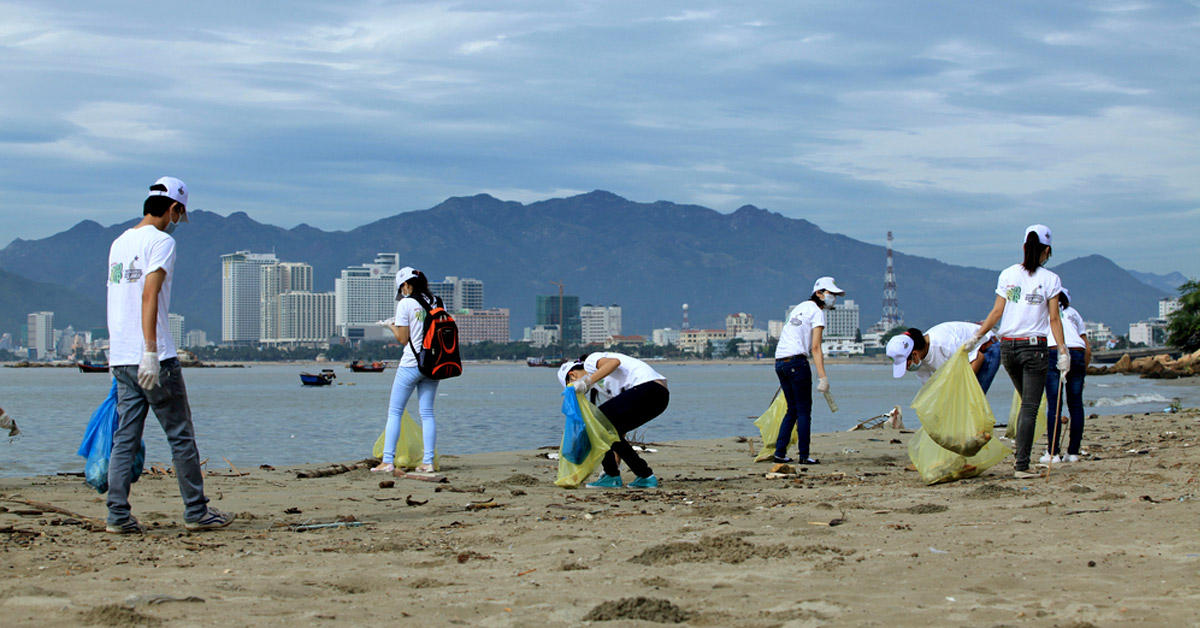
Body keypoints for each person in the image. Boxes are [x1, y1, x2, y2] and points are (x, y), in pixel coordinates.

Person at [105, 177, 233, 533]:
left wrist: (123, 353)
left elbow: (117, 299)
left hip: (121, 358)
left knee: (125, 438)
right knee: (180, 435)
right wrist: (149, 350)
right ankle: (196, 511)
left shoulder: (119, 242)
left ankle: (117, 515)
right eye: (180, 214)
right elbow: (149, 295)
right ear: (174, 209)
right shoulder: (162, 242)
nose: (178, 221)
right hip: (154, 356)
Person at [971, 225, 1068, 479]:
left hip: (1008, 348)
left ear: (1024, 247)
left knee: (1027, 403)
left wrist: (977, 337)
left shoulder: (1008, 275)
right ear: (1046, 250)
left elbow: (996, 313)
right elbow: (1055, 319)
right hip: (1034, 348)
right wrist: (1063, 351)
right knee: (1030, 407)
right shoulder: (1051, 280)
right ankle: (1022, 465)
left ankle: (1021, 457)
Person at [558, 352, 669, 488]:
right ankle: (644, 476)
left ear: (572, 375)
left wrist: (586, 382)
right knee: (604, 426)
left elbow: (614, 362)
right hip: (659, 399)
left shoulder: (591, 361)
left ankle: (613, 476)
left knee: (595, 422)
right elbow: (614, 432)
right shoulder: (603, 386)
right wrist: (614, 464)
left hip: (649, 389)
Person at [372, 267, 441, 474]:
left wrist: (390, 326)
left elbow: (403, 339)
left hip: (411, 363)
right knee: (427, 413)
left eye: (401, 288)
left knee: (395, 412)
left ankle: (387, 461)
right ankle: (428, 462)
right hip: (432, 363)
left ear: (406, 285)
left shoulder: (406, 303)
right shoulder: (437, 301)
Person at [772, 276, 844, 465]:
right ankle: (804, 455)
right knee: (804, 411)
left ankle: (779, 453)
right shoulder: (817, 312)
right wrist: (823, 377)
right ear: (819, 293)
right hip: (797, 362)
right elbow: (816, 348)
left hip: (780, 362)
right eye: (831, 294)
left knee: (792, 410)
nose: (833, 298)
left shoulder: (800, 307)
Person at [1042, 287, 1090, 464]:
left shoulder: (1044, 311)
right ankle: (1073, 453)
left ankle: (1053, 453)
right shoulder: (1074, 313)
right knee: (1076, 405)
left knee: (1054, 405)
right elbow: (1086, 345)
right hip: (1077, 352)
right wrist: (1083, 369)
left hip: (1055, 351)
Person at [885, 322, 1000, 393]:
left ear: (914, 354)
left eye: (906, 365)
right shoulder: (919, 361)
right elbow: (931, 389)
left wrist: (959, 388)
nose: (906, 369)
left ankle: (977, 431)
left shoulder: (944, 345)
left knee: (970, 396)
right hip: (968, 360)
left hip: (987, 348)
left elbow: (978, 358)